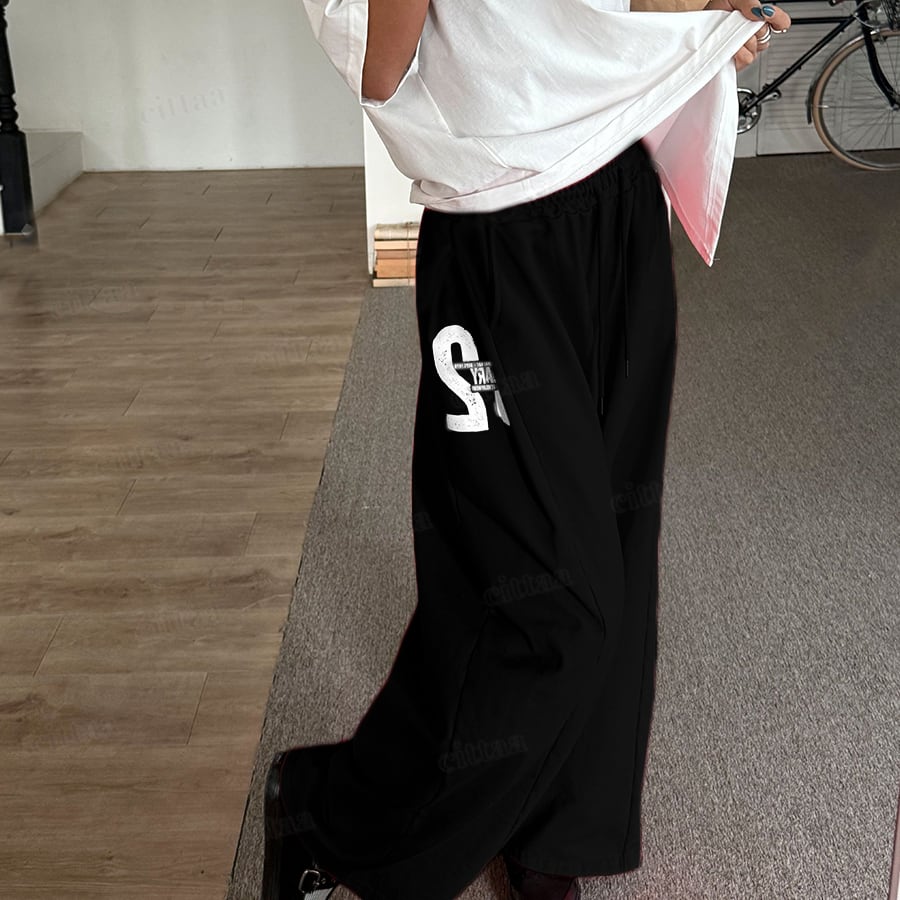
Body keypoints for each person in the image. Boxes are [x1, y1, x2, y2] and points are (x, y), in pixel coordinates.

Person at [261, 1, 792, 899]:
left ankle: (555, 836)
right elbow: (381, 68)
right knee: (550, 601)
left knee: (618, 550)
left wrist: (690, 22)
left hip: (617, 183)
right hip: (499, 216)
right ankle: (327, 812)